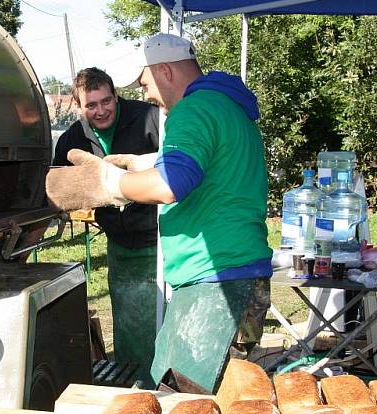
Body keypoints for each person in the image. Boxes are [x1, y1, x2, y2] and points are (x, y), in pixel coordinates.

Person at [46, 34, 272, 392]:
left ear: (164, 70)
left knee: (183, 407)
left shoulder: (193, 109)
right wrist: (143, 163)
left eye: (145, 82)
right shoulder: (226, 106)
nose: (146, 93)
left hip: (217, 278)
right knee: (173, 391)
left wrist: (110, 183)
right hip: (228, 271)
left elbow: (170, 185)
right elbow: (210, 165)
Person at [52, 67, 160, 382]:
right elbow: (55, 186)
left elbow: (179, 162)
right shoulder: (74, 138)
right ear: (78, 106)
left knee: (162, 322)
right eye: (91, 105)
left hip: (163, 241)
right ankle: (137, 389)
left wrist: (144, 166)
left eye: (106, 101)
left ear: (116, 95)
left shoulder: (150, 118)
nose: (100, 111)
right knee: (128, 325)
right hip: (120, 246)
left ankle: (167, 388)